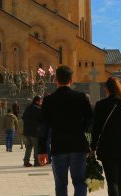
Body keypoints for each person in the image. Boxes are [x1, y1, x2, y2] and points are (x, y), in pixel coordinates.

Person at [38, 65, 93, 196]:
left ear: (55, 80)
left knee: (61, 184)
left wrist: (42, 150)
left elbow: (43, 126)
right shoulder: (81, 97)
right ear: (71, 80)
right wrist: (84, 133)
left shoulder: (49, 100)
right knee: (80, 182)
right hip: (78, 145)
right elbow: (91, 121)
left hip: (58, 146)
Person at [90, 76, 121, 196]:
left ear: (106, 89)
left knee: (112, 181)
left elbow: (96, 129)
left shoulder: (101, 105)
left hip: (107, 147)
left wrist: (93, 146)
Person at [22, 96, 42, 167]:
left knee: (28, 147)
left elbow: (23, 117)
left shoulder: (28, 108)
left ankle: (26, 161)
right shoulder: (38, 109)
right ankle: (36, 162)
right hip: (34, 131)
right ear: (37, 101)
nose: (41, 102)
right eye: (40, 101)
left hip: (27, 131)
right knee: (36, 147)